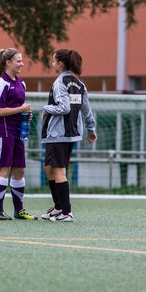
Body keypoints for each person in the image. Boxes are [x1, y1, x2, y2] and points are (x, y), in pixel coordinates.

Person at [41, 49, 97, 222]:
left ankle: (66, 212)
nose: (52, 64)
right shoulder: (80, 84)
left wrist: (46, 108)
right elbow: (86, 111)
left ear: (60, 63)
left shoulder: (60, 82)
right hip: (71, 135)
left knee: (58, 171)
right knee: (49, 169)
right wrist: (91, 129)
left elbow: (64, 108)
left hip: (58, 134)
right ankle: (58, 208)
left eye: (53, 61)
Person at [0, 48, 38, 221]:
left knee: (20, 170)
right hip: (3, 132)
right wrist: (21, 109)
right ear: (7, 62)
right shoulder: (2, 83)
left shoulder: (21, 83)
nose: (22, 64)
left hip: (18, 131)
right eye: (18, 61)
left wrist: (26, 114)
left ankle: (19, 210)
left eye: (22, 60)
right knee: (4, 169)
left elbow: (19, 108)